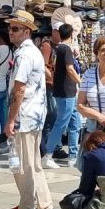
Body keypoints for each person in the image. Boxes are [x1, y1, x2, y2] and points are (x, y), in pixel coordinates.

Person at [4, 8, 55, 209]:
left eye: (15, 29)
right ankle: (45, 207)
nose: (10, 32)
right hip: (35, 115)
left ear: (26, 31)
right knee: (34, 164)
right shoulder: (32, 51)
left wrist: (10, 120)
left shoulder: (24, 54)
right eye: (10, 28)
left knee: (22, 168)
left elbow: (19, 90)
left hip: (24, 117)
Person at [43, 24, 82, 167]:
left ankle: (73, 155)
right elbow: (70, 70)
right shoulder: (65, 49)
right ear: (71, 35)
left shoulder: (59, 49)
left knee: (74, 122)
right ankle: (48, 154)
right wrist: (81, 82)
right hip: (66, 91)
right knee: (61, 123)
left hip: (67, 90)